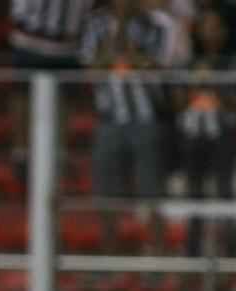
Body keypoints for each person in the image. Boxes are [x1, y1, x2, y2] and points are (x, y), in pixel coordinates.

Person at [80, 0, 170, 253]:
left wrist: (120, 52)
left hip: (146, 118)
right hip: (109, 119)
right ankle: (109, 255)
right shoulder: (95, 24)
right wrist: (122, 52)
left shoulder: (155, 25)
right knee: (106, 193)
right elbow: (91, 70)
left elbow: (157, 67)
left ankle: (157, 254)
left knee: (151, 192)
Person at [179, 9, 236, 256]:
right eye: (206, 27)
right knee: (193, 192)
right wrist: (193, 86)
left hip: (223, 133)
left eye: (215, 27)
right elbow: (177, 101)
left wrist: (213, 84)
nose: (210, 33)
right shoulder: (189, 62)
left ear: (224, 33)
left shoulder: (232, 62)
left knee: (224, 190)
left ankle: (230, 248)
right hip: (193, 134)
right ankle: (192, 248)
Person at [8, 0, 94, 178]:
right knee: (24, 95)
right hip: (31, 41)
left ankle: (58, 151)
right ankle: (22, 151)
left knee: (64, 100)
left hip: (68, 46)